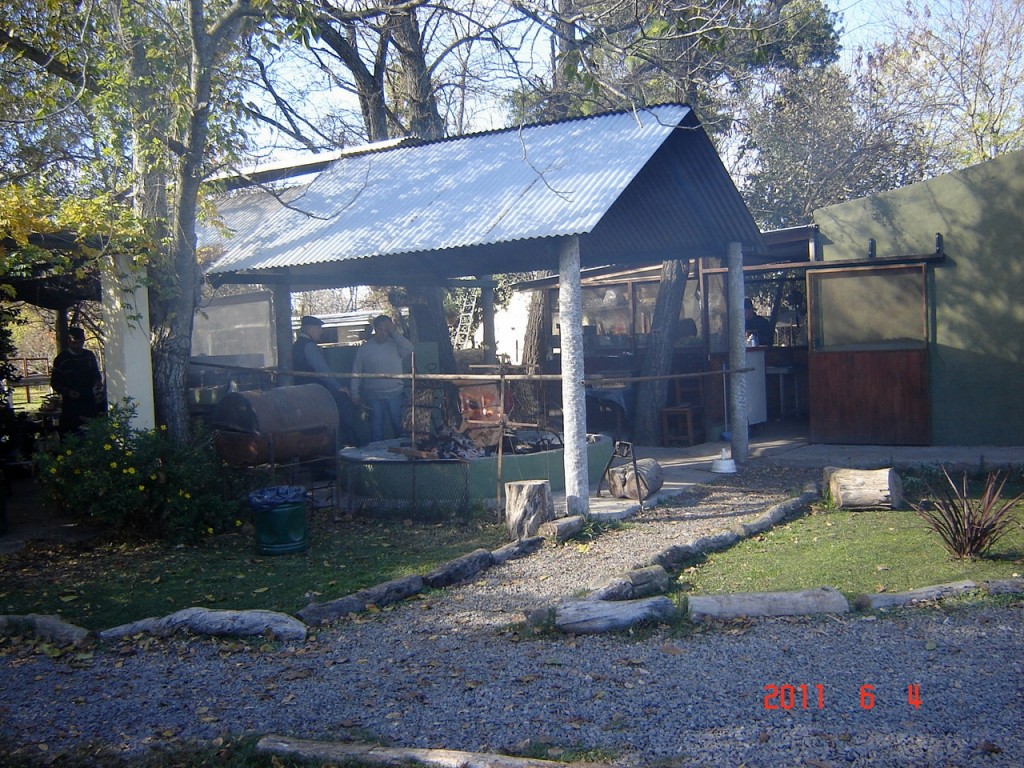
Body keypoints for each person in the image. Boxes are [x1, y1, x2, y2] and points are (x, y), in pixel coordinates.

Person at [291, 315, 356, 444]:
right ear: (309, 328)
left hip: (301, 391)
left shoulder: (296, 346)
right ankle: (350, 441)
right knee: (341, 402)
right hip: (314, 391)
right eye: (319, 328)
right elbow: (322, 370)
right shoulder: (309, 346)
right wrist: (338, 387)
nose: (321, 331)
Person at [352, 315, 414, 443]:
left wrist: (394, 332)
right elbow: (356, 371)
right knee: (376, 429)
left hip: (395, 393)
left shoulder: (396, 345)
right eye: (380, 329)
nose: (383, 333)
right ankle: (376, 459)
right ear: (375, 329)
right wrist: (355, 393)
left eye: (387, 330)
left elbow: (410, 348)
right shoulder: (365, 349)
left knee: (400, 428)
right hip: (373, 394)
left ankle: (403, 457)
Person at [50, 326, 102, 435]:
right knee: (72, 433)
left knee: (92, 432)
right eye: (75, 342)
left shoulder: (89, 356)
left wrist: (97, 381)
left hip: (89, 400)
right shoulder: (62, 359)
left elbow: (96, 373)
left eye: (81, 342)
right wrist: (68, 392)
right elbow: (54, 382)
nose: (78, 346)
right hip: (71, 404)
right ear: (69, 342)